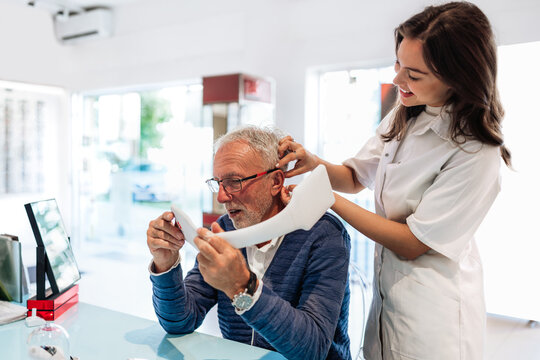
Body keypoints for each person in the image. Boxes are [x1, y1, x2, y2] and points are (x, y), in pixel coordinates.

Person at [276, 2, 511, 359]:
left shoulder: (476, 154)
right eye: (398, 63)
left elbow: (414, 242)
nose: (398, 79)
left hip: (434, 317)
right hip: (388, 299)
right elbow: (356, 176)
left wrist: (325, 198)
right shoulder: (405, 114)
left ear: (458, 77)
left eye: (414, 74)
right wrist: (313, 164)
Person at [146, 126, 352, 360]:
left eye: (234, 182)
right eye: (218, 183)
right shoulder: (224, 228)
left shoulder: (323, 234)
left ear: (275, 181)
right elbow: (180, 321)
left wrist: (243, 286)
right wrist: (165, 265)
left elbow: (312, 350)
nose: (222, 197)